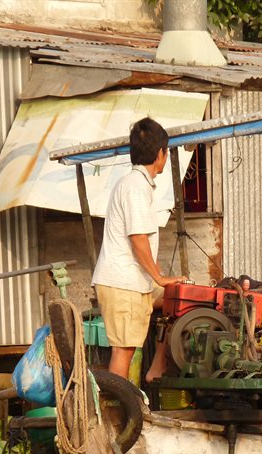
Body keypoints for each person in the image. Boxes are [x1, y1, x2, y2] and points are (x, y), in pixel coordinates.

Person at [91, 117, 184, 381]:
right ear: (160, 154)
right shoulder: (135, 187)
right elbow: (138, 238)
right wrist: (160, 277)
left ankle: (158, 364)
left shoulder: (137, 185)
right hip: (123, 282)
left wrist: (163, 283)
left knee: (179, 298)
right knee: (124, 350)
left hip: (133, 281)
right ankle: (118, 415)